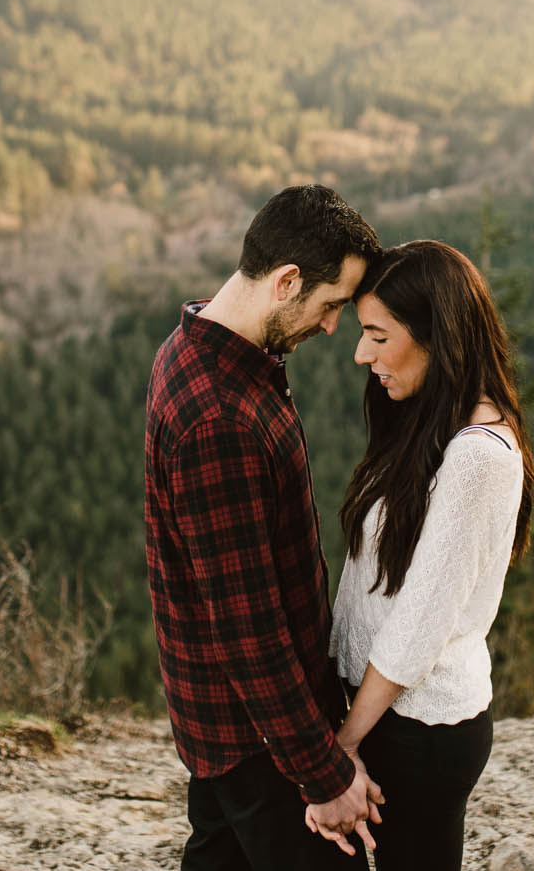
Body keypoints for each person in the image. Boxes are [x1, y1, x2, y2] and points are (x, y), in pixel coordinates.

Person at [145, 184, 387, 869]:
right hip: (259, 742)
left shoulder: (195, 349)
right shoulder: (221, 415)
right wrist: (323, 772)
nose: (334, 326)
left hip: (222, 726)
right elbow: (248, 627)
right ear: (286, 281)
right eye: (331, 303)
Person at [311, 240, 534, 869]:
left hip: (417, 731)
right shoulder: (424, 421)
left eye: (379, 336)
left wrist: (343, 743)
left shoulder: (477, 458)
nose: (362, 354)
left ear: (438, 336)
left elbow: (419, 622)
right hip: (378, 714)